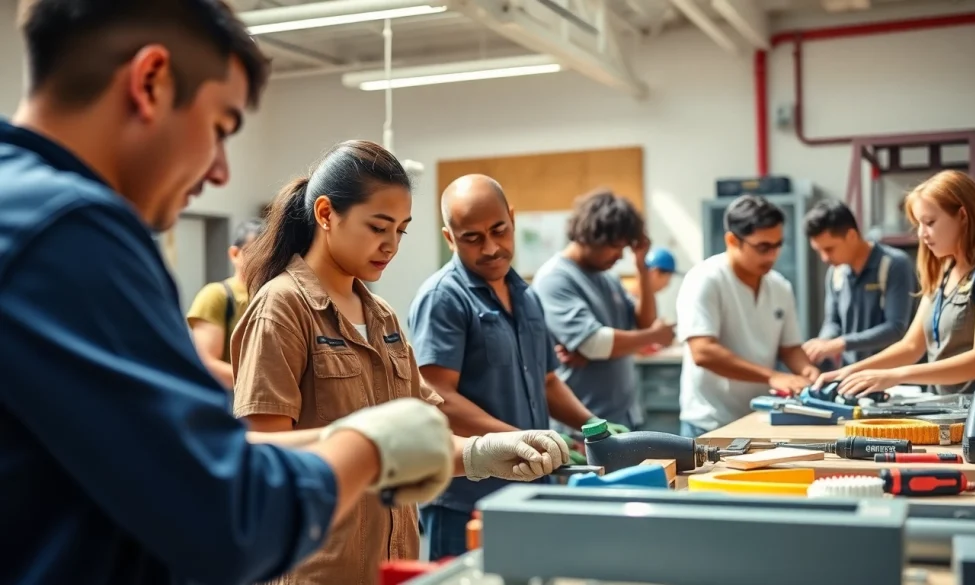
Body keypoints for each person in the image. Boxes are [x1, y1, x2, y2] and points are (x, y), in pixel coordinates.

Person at [0, 1, 460, 584]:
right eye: (220, 128)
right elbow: (229, 514)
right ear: (150, 81)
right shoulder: (70, 231)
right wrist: (369, 450)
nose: (220, 171)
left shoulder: (22, 207)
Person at [230, 144, 570, 585]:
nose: (390, 245)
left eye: (401, 231)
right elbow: (263, 454)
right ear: (326, 213)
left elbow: (420, 439)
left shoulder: (383, 318)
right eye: (378, 227)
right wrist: (364, 446)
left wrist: (484, 452)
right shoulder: (282, 308)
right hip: (320, 570)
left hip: (394, 567)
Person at [408, 174, 621, 560]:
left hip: (532, 488)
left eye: (498, 230)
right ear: (449, 238)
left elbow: (548, 381)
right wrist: (524, 441)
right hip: (468, 502)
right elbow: (439, 398)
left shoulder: (526, 295)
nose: (491, 248)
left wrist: (593, 424)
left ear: (512, 218)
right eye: (472, 238)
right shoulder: (443, 299)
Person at [815, 170, 975, 399]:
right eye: (918, 225)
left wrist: (895, 376)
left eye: (930, 222)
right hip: (951, 405)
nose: (922, 234)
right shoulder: (944, 271)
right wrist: (850, 372)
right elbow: (911, 346)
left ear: (963, 215)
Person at [531, 190, 675, 431]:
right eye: (615, 247)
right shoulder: (555, 278)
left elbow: (644, 322)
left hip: (623, 417)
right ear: (590, 236)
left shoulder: (607, 278)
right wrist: (654, 336)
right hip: (583, 426)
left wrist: (642, 268)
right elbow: (594, 343)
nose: (620, 256)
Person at [676, 194, 818, 437]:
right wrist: (772, 376)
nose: (772, 255)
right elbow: (703, 351)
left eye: (778, 245)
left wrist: (807, 371)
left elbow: (790, 347)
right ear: (733, 240)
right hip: (710, 422)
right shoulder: (704, 279)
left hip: (758, 420)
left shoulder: (780, 286)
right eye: (763, 247)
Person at [801, 200, 917, 368]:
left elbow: (896, 328)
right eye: (818, 251)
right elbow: (833, 322)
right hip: (852, 374)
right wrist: (823, 342)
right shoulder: (836, 273)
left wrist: (840, 343)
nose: (824, 258)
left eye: (829, 249)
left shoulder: (894, 264)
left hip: (894, 375)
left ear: (851, 236)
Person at [187, 217, 265, 388]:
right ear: (235, 254)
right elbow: (207, 363)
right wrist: (262, 384)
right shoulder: (215, 295)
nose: (262, 260)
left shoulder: (273, 295)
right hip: (232, 397)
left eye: (268, 253)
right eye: (255, 252)